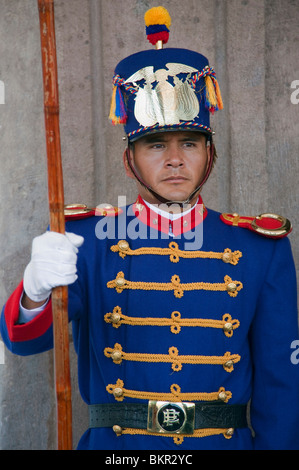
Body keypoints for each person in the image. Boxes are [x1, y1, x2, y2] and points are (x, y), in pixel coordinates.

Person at [1, 7, 299, 451]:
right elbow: (26, 343)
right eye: (156, 144)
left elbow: (282, 384)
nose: (175, 159)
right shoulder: (86, 241)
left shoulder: (260, 247)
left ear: (209, 154)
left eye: (190, 143)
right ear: (131, 159)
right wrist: (33, 294)